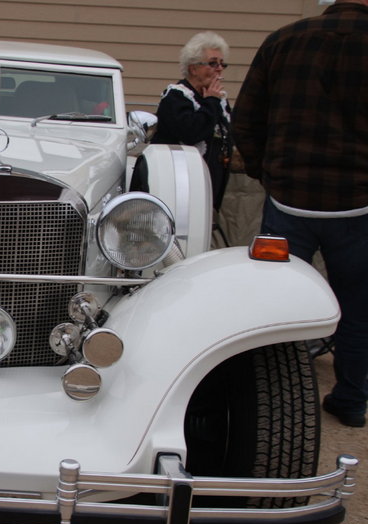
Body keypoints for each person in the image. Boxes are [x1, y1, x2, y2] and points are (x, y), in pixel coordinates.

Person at [233, 0, 368, 428]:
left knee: (275, 307)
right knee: (359, 308)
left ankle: (268, 404)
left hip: (289, 203)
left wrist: (269, 174)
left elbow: (245, 120)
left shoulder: (283, 40)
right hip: (359, 207)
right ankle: (349, 399)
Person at [152, 31, 233, 211]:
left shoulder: (219, 100)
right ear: (193, 68)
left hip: (210, 187)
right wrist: (211, 101)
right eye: (212, 63)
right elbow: (191, 133)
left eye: (222, 64)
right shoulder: (176, 97)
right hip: (179, 188)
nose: (219, 68)